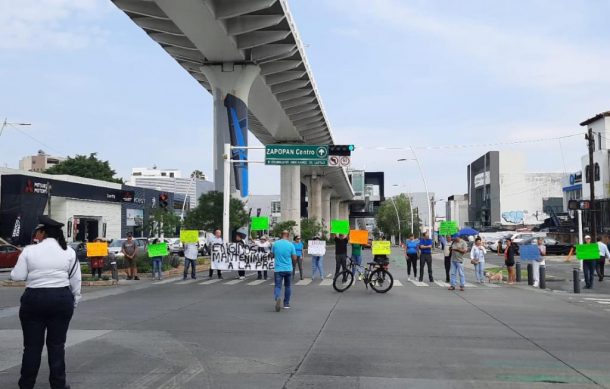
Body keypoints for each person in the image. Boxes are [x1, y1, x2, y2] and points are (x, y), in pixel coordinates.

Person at [10, 215, 81, 389]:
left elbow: (17, 276)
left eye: (37, 232)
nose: (36, 235)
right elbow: (75, 281)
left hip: (34, 300)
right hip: (61, 299)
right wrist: (74, 301)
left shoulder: (29, 250)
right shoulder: (69, 252)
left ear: (42, 232)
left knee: (32, 347)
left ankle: (26, 384)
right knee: (57, 345)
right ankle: (58, 384)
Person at [272, 230, 296, 311]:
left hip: (278, 269)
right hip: (288, 269)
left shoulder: (275, 244)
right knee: (288, 286)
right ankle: (286, 304)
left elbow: (272, 255)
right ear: (288, 236)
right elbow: (294, 257)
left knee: (278, 286)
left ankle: (277, 297)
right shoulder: (291, 244)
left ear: (281, 235)